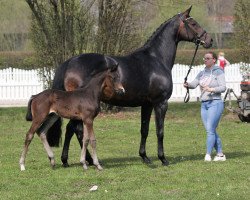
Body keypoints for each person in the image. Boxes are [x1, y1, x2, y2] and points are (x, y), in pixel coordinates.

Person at [184, 51, 227, 162]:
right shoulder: (202, 72)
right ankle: (220, 154)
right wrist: (188, 85)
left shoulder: (219, 71)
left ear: (214, 60)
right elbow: (194, 84)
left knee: (210, 130)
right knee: (210, 129)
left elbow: (223, 87)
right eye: (204, 58)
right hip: (204, 104)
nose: (205, 60)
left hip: (215, 102)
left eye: (208, 58)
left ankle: (208, 155)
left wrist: (211, 89)